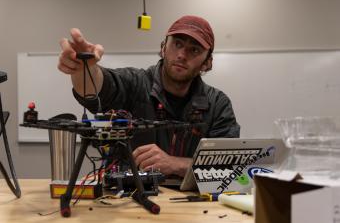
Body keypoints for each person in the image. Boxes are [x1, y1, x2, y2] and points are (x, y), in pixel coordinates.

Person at [58, 15, 240, 177]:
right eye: (177, 44)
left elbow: (228, 165)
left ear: (207, 62)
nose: (182, 55)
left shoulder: (217, 104)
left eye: (194, 50)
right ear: (163, 48)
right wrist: (85, 69)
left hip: (195, 206)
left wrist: (176, 164)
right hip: (129, 201)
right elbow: (100, 87)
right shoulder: (135, 84)